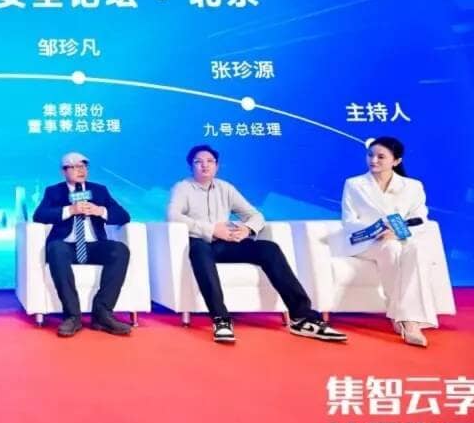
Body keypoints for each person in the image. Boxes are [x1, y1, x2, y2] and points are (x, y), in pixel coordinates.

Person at [168, 144, 347, 344]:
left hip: (226, 243)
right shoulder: (182, 188)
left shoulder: (226, 188)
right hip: (200, 243)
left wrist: (247, 229)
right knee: (199, 250)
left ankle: (302, 318)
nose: (205, 166)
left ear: (217, 166)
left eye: (210, 161)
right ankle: (221, 319)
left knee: (269, 249)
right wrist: (211, 230)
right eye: (198, 162)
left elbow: (255, 215)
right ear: (191, 166)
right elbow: (173, 216)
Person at [341, 136, 435, 347]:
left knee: (416, 250)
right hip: (366, 242)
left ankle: (405, 319)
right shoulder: (354, 184)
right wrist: (376, 230)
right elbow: (349, 221)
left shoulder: (413, 186)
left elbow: (420, 219)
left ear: (396, 161)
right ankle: (408, 321)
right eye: (370, 155)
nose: (373, 160)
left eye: (380, 157)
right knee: (390, 249)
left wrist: (399, 233)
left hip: (401, 238)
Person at [32, 151, 134, 337]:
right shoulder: (54, 191)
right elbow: (39, 215)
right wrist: (69, 210)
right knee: (56, 248)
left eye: (83, 166)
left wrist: (100, 211)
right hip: (67, 244)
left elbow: (124, 215)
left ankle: (102, 314)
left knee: (120, 250)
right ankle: (72, 316)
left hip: (94, 245)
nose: (81, 170)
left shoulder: (99, 190)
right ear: (64, 171)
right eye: (75, 167)